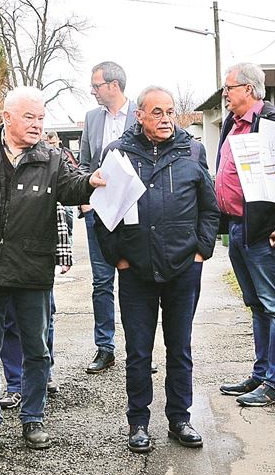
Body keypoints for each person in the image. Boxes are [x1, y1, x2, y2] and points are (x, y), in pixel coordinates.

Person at [0, 86, 105, 456]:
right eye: (30, 117)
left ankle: (33, 418)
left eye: (41, 118)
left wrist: (90, 182)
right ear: (7, 117)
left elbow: (72, 188)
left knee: (37, 350)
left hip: (31, 268)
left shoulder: (52, 157)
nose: (37, 124)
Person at [93, 86, 219, 453]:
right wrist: (117, 258)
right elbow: (103, 213)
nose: (166, 119)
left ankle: (180, 419)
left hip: (183, 269)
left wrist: (201, 251)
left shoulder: (192, 151)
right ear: (140, 116)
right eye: (157, 112)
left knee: (180, 348)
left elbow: (209, 208)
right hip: (135, 270)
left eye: (170, 112)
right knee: (138, 351)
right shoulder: (117, 153)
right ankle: (138, 423)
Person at [214, 63, 275, 407]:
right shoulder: (232, 123)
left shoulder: (274, 122)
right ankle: (261, 374)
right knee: (257, 305)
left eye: (229, 88)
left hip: (263, 231)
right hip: (237, 227)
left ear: (248, 89)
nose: (225, 94)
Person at [78, 61, 138, 374]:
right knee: (102, 282)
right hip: (99, 212)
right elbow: (84, 164)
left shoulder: (142, 112)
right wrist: (84, 200)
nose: (92, 91)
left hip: (134, 212)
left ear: (114, 85)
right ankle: (105, 348)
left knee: (136, 281)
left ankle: (139, 349)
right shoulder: (91, 118)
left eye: (96, 85)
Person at [0, 202, 73, 407]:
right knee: (9, 320)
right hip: (5, 257)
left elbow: (56, 205)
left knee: (43, 320)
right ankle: (15, 384)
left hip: (38, 257)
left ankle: (43, 373)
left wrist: (63, 253)